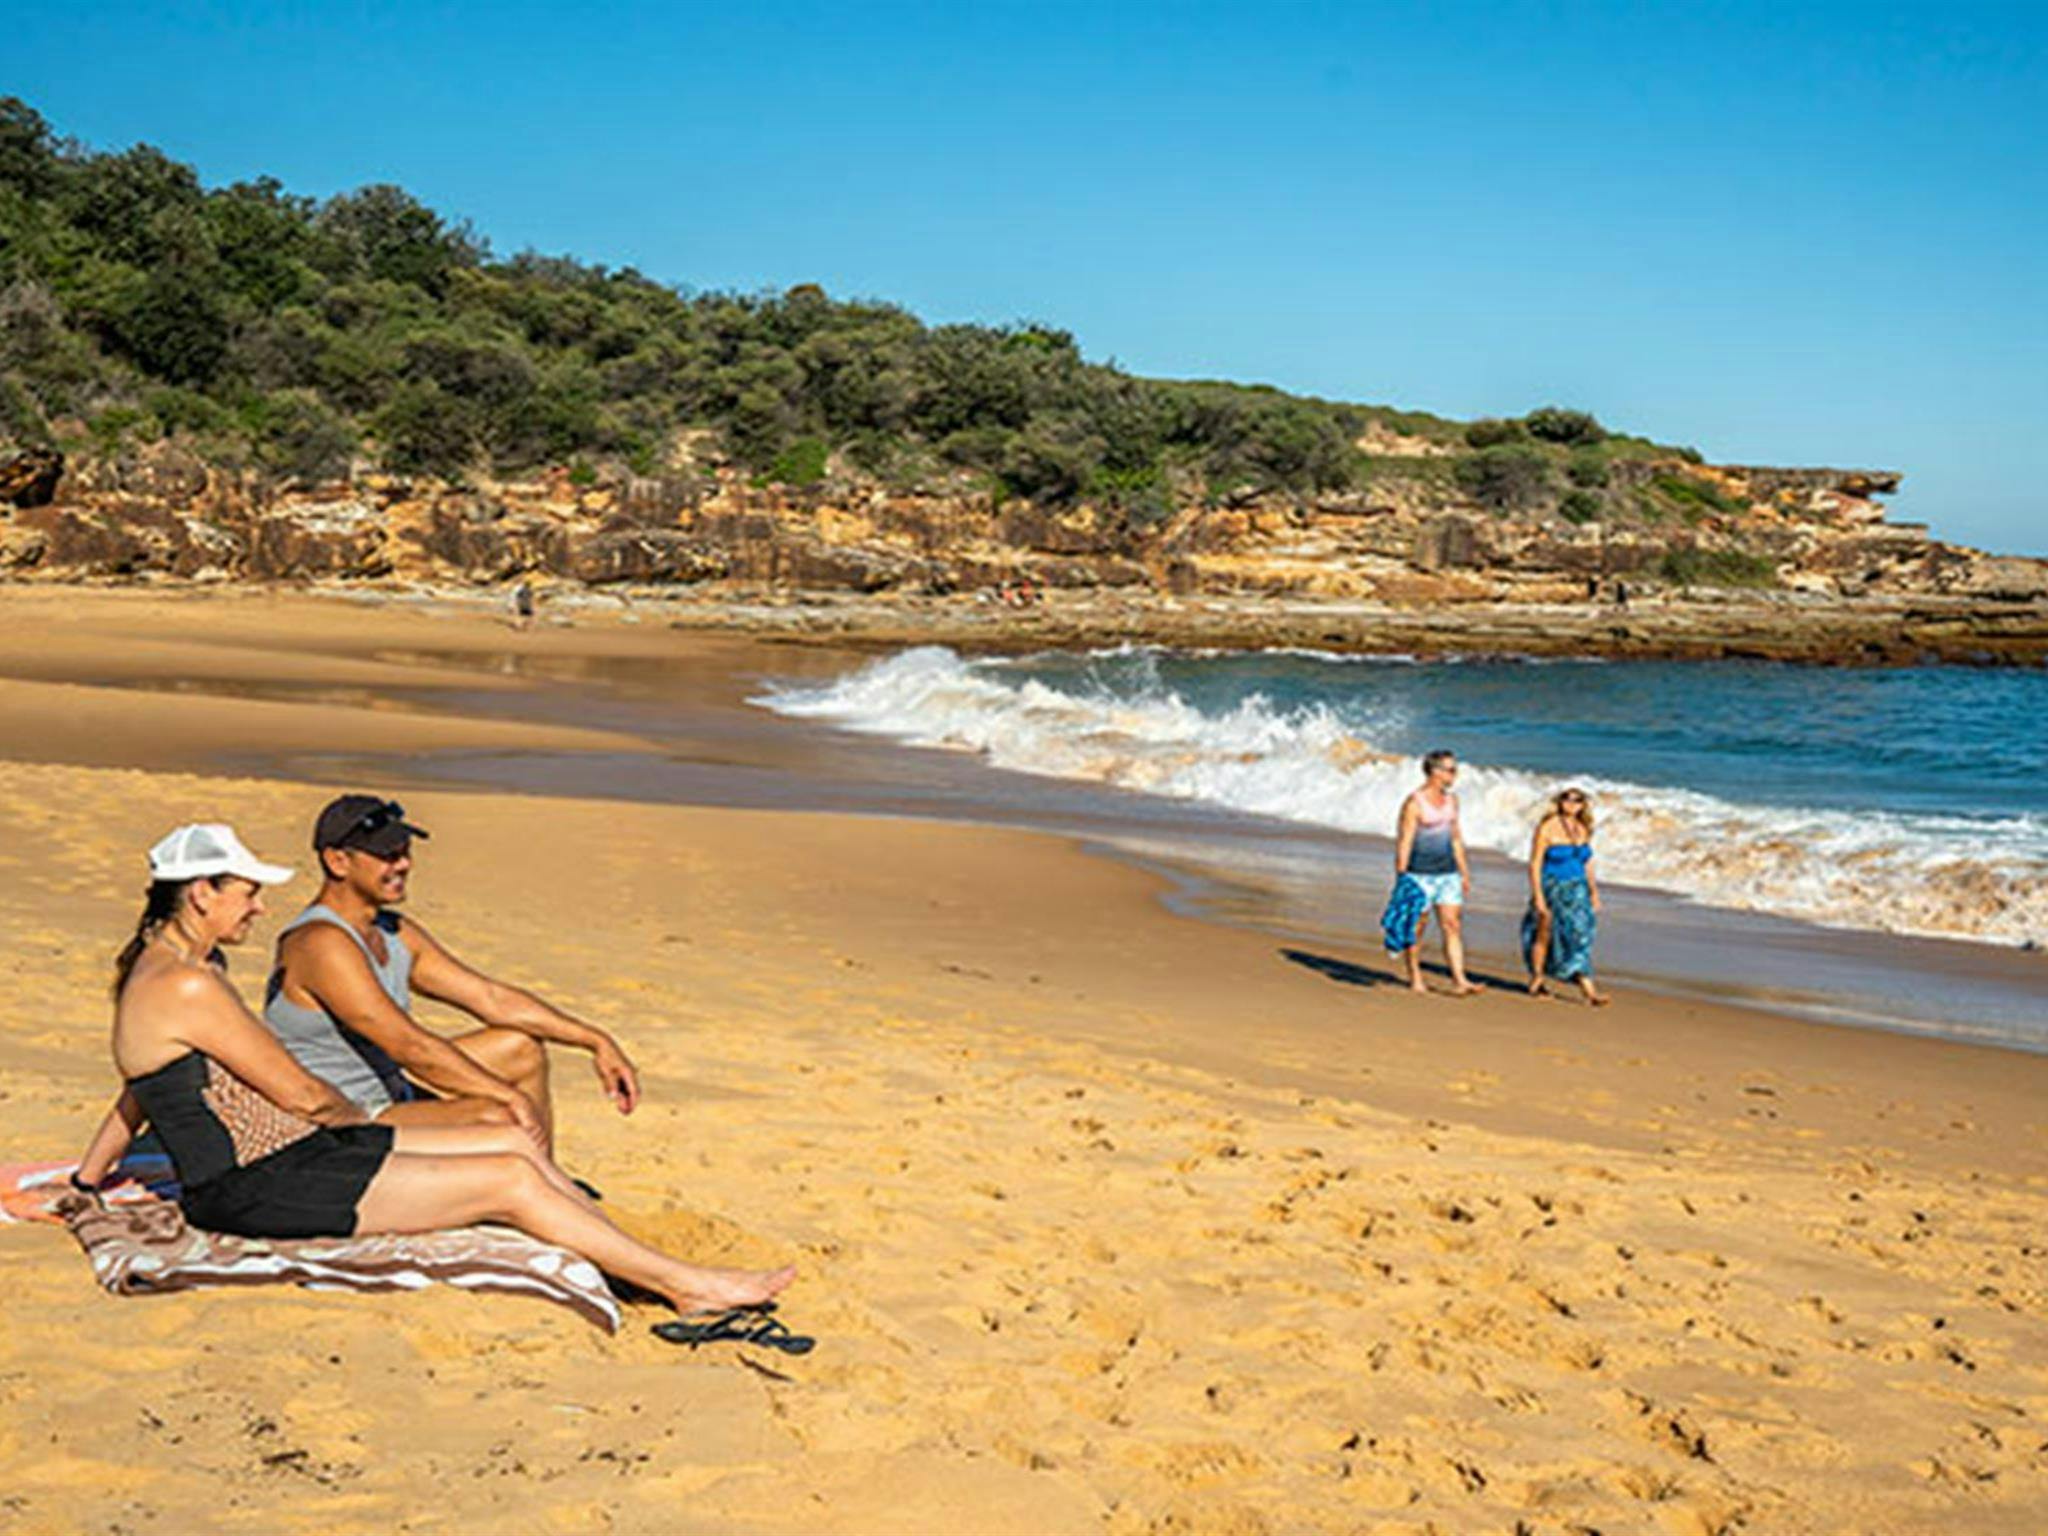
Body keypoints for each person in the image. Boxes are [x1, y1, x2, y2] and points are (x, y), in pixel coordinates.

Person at [74, 824, 790, 1314]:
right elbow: (298, 1093)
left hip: (295, 1155)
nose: (259, 906)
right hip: (256, 1186)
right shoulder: (186, 985)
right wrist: (364, 1131)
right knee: (507, 1175)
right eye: (246, 891)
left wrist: (85, 1179)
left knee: (513, 1141)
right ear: (201, 893)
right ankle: (687, 1285)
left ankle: (610, 1247)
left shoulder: (177, 967)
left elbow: (139, 1088)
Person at [263, 796, 639, 1153]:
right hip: (346, 1118)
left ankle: (543, 1183)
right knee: (500, 1114)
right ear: (338, 862)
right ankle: (536, 1191)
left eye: (405, 852)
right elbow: (409, 1047)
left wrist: (595, 1040)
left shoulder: (393, 931)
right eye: (387, 855)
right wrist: (509, 1096)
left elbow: (489, 998)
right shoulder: (319, 943)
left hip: (393, 1092)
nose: (404, 864)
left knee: (520, 1048)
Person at [1390, 750, 1478, 995]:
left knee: (1452, 925)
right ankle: (1415, 977)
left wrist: (1464, 871)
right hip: (1419, 874)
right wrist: (1401, 876)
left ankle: (1460, 979)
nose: (1455, 774)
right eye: (1450, 770)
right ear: (1435, 771)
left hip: (1447, 872)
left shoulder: (1452, 801)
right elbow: (1405, 841)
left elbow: (1456, 838)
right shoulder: (1414, 803)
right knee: (1417, 926)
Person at [1522, 788, 1609, 1006]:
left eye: (1577, 800)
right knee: (1544, 933)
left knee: (1581, 935)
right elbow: (1535, 864)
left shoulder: (1583, 828)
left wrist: (1594, 891)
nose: (1572, 804)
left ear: (1583, 805)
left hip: (1577, 889)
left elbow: (1587, 862)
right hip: (1552, 886)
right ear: (1559, 802)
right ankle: (1538, 978)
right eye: (1567, 799)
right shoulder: (1547, 827)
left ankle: (1588, 990)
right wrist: (1538, 896)